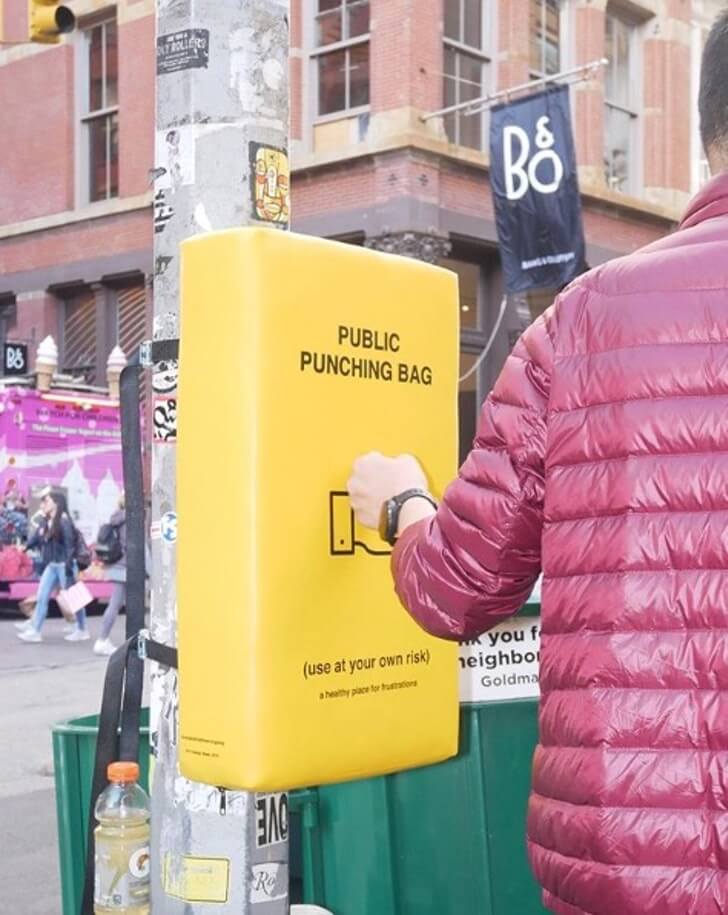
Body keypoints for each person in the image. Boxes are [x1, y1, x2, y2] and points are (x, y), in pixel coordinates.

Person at [348, 14, 728, 915]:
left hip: (628, 865)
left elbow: (459, 584)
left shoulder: (586, 320)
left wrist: (402, 500)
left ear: (707, 132)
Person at [16, 487, 89, 643]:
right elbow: (38, 538)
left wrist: (69, 566)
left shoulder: (63, 520)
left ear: (56, 503)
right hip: (52, 565)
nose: (44, 503)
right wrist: (26, 547)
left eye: (47, 500)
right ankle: (35, 631)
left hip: (64, 565)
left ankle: (82, 629)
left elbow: (70, 545)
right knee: (42, 597)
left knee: (74, 599)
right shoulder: (48, 520)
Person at [94, 497, 127, 656]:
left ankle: (103, 640)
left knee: (117, 604)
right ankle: (102, 640)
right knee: (115, 604)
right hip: (126, 567)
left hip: (116, 565)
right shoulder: (129, 518)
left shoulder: (117, 517)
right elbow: (134, 545)